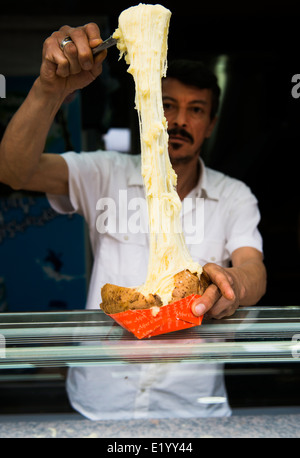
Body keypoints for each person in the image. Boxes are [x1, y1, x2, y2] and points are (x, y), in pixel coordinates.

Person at [0, 23, 266, 419]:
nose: (178, 121)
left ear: (210, 124)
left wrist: (234, 285)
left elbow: (252, 268)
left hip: (190, 405)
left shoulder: (233, 195)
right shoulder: (104, 172)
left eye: (196, 110)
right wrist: (49, 88)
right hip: (102, 398)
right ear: (148, 106)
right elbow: (13, 171)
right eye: (168, 105)